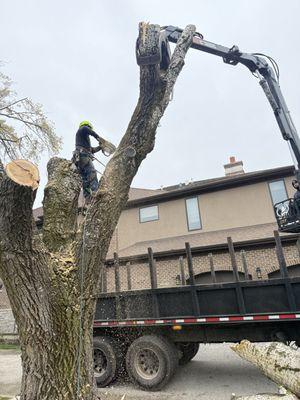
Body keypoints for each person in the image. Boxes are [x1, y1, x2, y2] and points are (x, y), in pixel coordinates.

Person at [73, 121, 104, 201]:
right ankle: (95, 191)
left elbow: (91, 150)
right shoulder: (82, 130)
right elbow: (86, 129)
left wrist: (100, 147)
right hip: (83, 156)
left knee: (85, 180)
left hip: (79, 160)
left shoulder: (82, 141)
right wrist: (99, 138)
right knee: (92, 172)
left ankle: (87, 198)